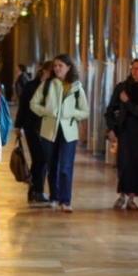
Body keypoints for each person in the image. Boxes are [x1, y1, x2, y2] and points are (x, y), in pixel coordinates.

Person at [30, 54, 88, 213]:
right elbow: (33, 103)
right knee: (52, 165)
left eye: (60, 65)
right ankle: (54, 197)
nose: (57, 68)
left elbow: (85, 111)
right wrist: (46, 112)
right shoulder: (47, 84)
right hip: (49, 131)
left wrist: (72, 114)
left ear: (69, 67)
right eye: (55, 66)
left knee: (66, 167)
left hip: (68, 132)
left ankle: (65, 201)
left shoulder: (76, 87)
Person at [105, 58, 138, 211]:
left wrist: (127, 102)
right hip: (125, 131)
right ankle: (121, 195)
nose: (135, 71)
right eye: (133, 68)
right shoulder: (122, 87)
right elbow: (110, 110)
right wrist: (111, 129)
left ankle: (131, 198)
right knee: (125, 163)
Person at [16, 60, 53, 204]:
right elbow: (23, 106)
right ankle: (37, 190)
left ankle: (35, 190)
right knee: (41, 158)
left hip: (47, 126)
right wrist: (18, 126)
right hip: (31, 126)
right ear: (44, 71)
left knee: (41, 159)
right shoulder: (31, 85)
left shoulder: (53, 86)